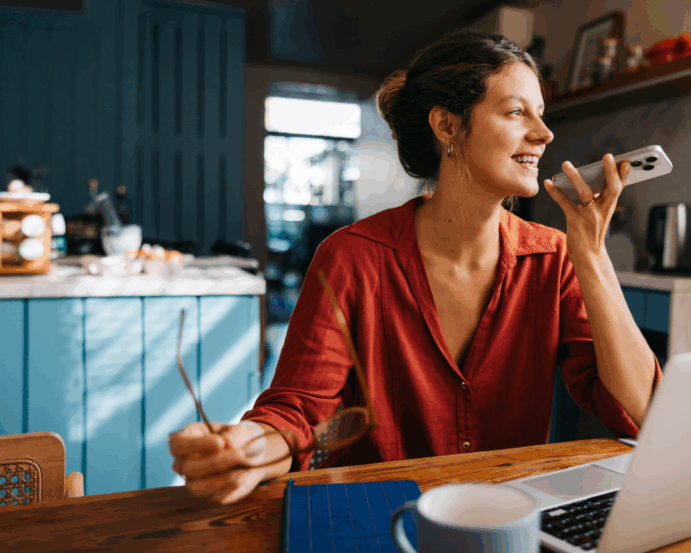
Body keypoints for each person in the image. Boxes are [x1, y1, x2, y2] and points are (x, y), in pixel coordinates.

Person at [168, 29, 661, 505]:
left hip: (505, 520)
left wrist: (591, 255)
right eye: (516, 112)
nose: (545, 133)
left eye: (542, 114)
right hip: (373, 517)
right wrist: (246, 448)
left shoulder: (556, 257)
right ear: (447, 125)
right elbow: (297, 410)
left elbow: (640, 412)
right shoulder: (352, 257)